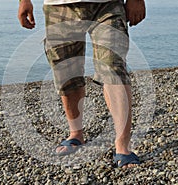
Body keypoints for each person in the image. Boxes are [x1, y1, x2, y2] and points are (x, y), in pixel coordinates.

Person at [18, 0, 146, 168]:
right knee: (66, 71)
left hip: (107, 4)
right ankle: (76, 134)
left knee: (112, 66)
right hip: (59, 5)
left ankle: (123, 146)